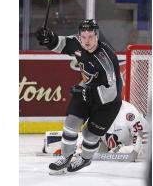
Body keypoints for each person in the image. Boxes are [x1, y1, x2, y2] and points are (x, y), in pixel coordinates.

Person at [35, 19, 122, 173]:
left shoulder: (106, 59)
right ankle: (66, 156)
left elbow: (112, 91)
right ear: (80, 35)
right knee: (71, 123)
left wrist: (88, 93)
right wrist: (48, 38)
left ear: (97, 36)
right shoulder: (78, 43)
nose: (86, 41)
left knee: (89, 134)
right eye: (84, 36)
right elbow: (61, 44)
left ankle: (85, 159)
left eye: (90, 36)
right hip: (86, 91)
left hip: (107, 103)